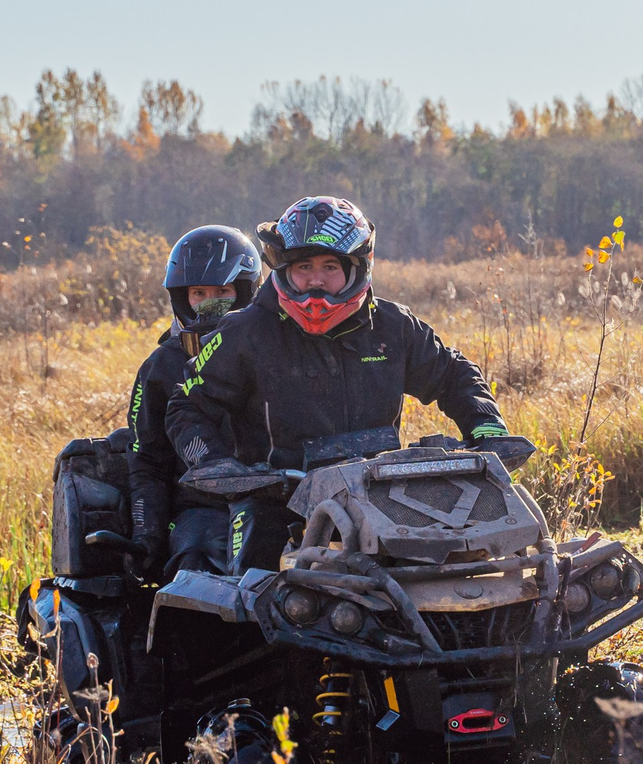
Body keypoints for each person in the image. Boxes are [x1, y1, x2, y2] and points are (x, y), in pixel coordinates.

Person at [164, 195, 518, 570]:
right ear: (284, 268)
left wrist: (487, 428)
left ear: (357, 267)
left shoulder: (393, 326)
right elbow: (187, 405)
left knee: (476, 560)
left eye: (330, 266)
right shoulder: (244, 331)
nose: (315, 279)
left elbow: (453, 374)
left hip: (385, 495)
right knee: (255, 589)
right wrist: (216, 464)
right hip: (275, 501)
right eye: (304, 266)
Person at [127, 224, 266, 578]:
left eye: (223, 291)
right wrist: (148, 535)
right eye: (199, 292)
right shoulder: (161, 366)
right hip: (200, 509)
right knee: (198, 555)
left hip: (275, 499)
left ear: (247, 292)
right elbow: (147, 463)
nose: (210, 303)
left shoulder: (276, 354)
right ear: (180, 297)